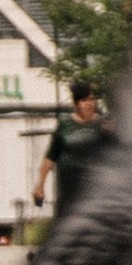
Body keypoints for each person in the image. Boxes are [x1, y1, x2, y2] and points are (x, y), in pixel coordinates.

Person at [34, 80, 115, 217]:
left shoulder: (103, 125)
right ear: (76, 104)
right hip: (69, 193)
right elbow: (50, 157)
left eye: (91, 99)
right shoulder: (65, 125)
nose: (89, 104)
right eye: (84, 100)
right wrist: (40, 185)